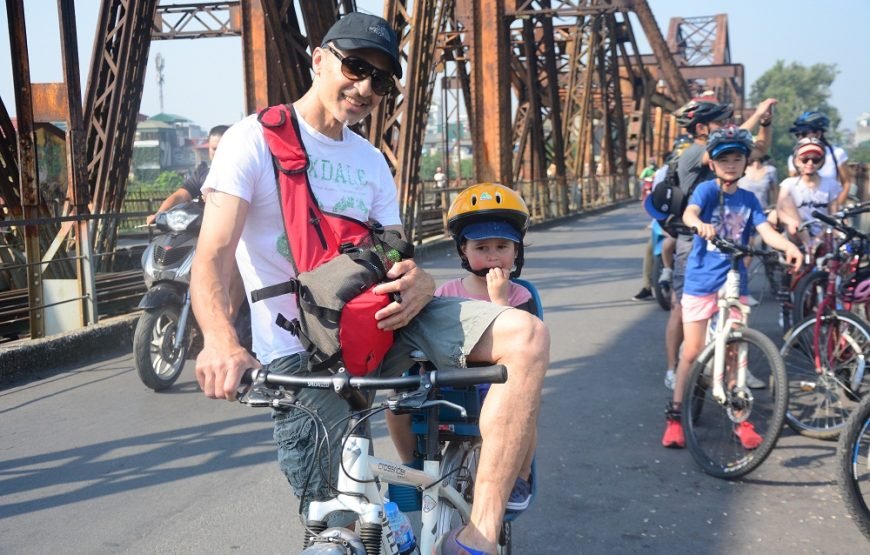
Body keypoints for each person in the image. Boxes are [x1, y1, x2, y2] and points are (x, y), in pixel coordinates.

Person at [190, 12, 548, 555]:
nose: (366, 88)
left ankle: (480, 535)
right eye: (355, 67)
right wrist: (219, 339)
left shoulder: (372, 161)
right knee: (341, 526)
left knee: (527, 337)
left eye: (381, 81)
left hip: (385, 327)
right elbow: (212, 256)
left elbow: (395, 253)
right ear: (318, 58)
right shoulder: (253, 141)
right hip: (303, 350)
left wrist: (422, 281)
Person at [386, 183, 538, 515]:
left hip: (494, 390)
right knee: (394, 404)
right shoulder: (447, 292)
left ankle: (520, 475)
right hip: (450, 385)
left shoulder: (520, 297)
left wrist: (499, 302)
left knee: (528, 410)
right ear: (463, 251)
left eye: (503, 246)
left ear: (517, 252)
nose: (493, 256)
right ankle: (410, 461)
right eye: (482, 247)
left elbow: (521, 351)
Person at [651, 125, 801, 448]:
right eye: (724, 159)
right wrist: (698, 223)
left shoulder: (748, 199)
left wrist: (786, 246)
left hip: (735, 282)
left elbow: (764, 230)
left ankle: (740, 418)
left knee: (735, 351)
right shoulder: (706, 191)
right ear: (713, 164)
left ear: (746, 162)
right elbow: (690, 213)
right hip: (702, 280)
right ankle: (675, 416)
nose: (731, 165)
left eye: (737, 158)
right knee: (691, 351)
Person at [660, 96, 776, 392]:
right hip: (693, 234)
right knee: (680, 308)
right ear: (701, 128)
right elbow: (730, 141)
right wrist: (755, 115)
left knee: (734, 303)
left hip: (724, 234)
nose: (728, 126)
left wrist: (766, 123)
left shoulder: (733, 163)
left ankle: (731, 362)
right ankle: (675, 368)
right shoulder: (693, 152)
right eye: (721, 122)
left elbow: (756, 148)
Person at [146, 125, 229, 224]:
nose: (217, 153)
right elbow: (180, 196)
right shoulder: (202, 174)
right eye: (214, 149)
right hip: (205, 228)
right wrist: (159, 214)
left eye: (222, 148)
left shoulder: (243, 175)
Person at [777, 138, 842, 247]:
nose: (810, 163)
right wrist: (790, 221)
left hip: (823, 235)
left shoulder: (830, 184)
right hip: (798, 233)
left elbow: (833, 214)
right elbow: (779, 211)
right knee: (787, 201)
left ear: (821, 162)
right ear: (797, 161)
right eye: (805, 159)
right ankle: (808, 247)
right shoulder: (789, 184)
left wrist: (821, 236)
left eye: (815, 160)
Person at [786, 111, 852, 206]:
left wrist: (837, 208)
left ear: (818, 134)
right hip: (804, 209)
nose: (800, 138)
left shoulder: (836, 154)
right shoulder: (793, 158)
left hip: (831, 208)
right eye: (797, 135)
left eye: (804, 134)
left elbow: (846, 183)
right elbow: (793, 187)